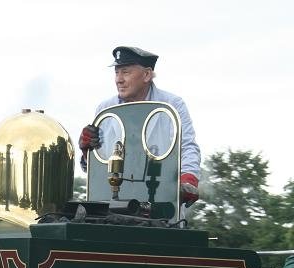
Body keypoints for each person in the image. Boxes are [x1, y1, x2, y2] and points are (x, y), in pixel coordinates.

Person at [78, 45, 201, 205]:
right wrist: (87, 152)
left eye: (125, 72)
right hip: (113, 203)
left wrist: (188, 179)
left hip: (160, 201)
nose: (118, 79)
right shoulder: (104, 109)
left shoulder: (173, 105)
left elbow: (187, 147)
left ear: (147, 75)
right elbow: (97, 169)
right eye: (116, 72)